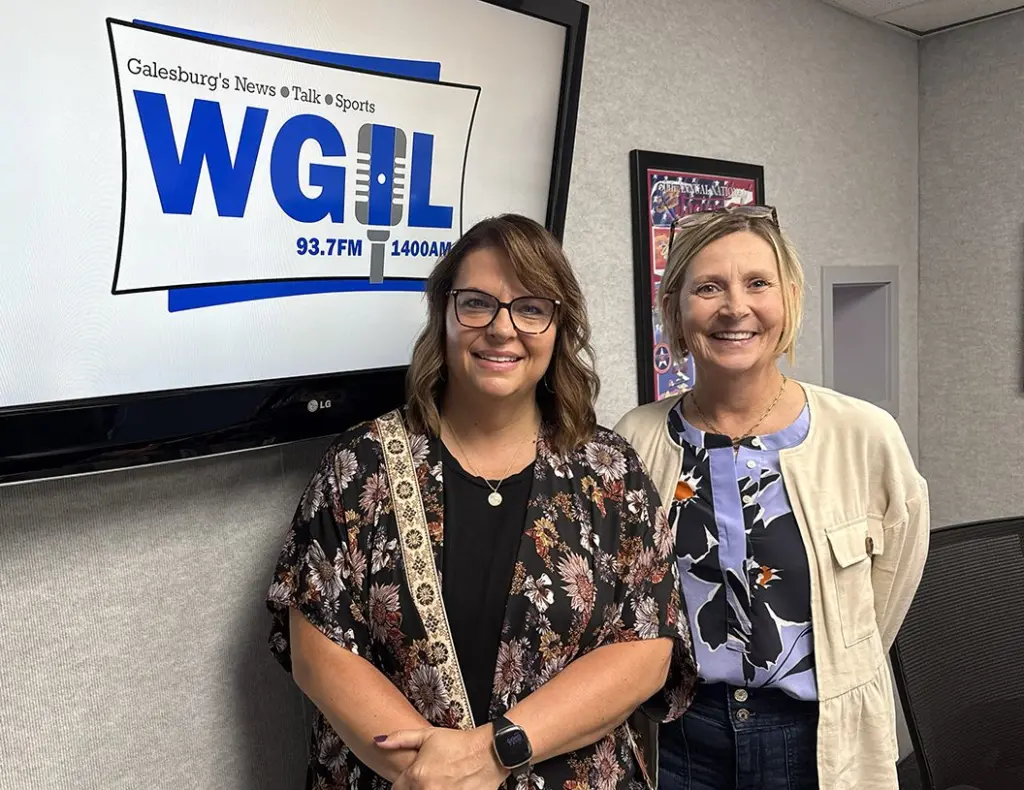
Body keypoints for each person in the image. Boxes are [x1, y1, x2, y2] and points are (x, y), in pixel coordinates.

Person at [266, 213, 698, 790]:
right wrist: (432, 779)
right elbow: (318, 653)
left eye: (531, 307)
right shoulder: (360, 464)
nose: (502, 329)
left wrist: (493, 753)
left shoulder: (609, 470)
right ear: (443, 314)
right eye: (476, 303)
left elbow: (645, 652)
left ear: (557, 326)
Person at [614, 205, 930, 790]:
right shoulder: (636, 439)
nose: (735, 307)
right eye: (708, 287)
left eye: (757, 283)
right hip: (680, 738)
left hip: (813, 735)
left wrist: (837, 663)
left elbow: (890, 584)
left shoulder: (864, 436)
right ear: (676, 313)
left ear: (787, 300)